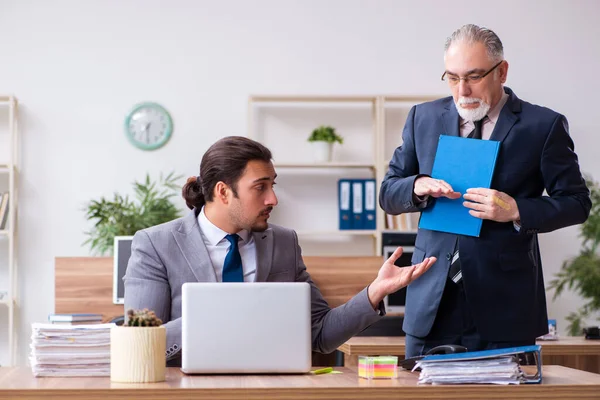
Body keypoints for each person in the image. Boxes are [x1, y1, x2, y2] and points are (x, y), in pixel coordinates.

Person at [124, 136, 436, 366]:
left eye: (273, 185)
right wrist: (214, 312)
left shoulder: (283, 242)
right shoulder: (156, 244)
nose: (273, 199)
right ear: (223, 191)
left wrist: (374, 292)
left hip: (271, 388)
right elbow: (140, 345)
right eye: (260, 187)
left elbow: (321, 336)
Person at [379, 24, 591, 358]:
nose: (462, 90)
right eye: (452, 77)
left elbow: (577, 203)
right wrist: (417, 185)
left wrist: (517, 210)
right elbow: (388, 192)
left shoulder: (543, 126)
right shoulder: (423, 117)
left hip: (505, 306)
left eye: (474, 76)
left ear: (502, 71)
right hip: (431, 300)